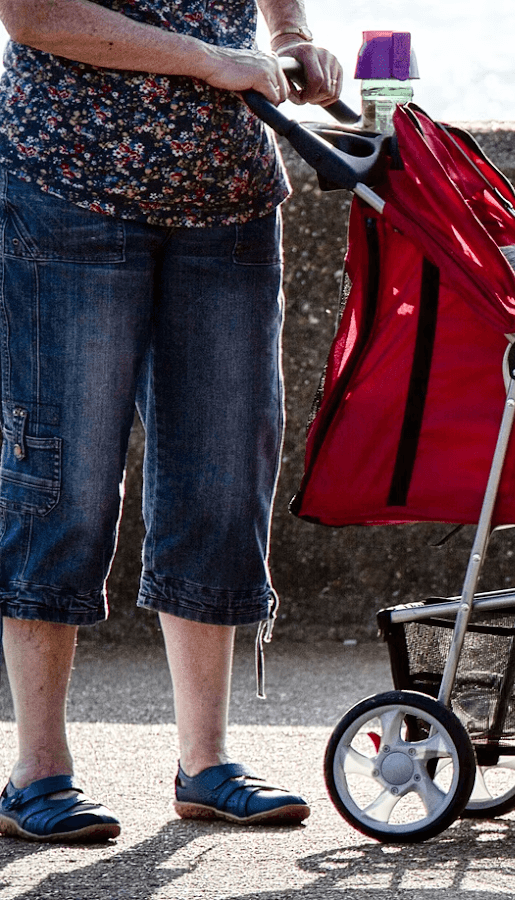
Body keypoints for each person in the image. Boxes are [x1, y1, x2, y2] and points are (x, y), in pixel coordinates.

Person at [0, 0, 342, 842]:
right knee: (61, 480)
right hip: (65, 188)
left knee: (223, 479)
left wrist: (292, 39)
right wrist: (208, 58)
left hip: (228, 200)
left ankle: (209, 764)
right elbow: (31, 12)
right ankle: (36, 773)